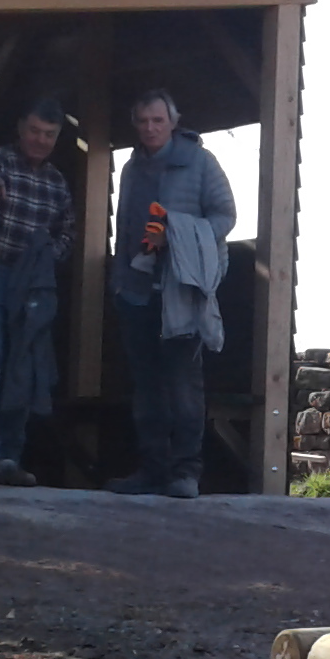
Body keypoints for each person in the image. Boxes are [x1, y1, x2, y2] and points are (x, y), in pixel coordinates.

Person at [108, 88, 234, 498]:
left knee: (183, 387)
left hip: (182, 291)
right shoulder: (131, 168)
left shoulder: (201, 161)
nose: (150, 128)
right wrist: (119, 284)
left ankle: (185, 473)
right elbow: (124, 231)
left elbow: (225, 216)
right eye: (143, 121)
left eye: (158, 121)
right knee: (146, 388)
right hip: (137, 293)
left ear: (173, 122)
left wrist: (177, 235)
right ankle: (152, 471)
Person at [0, 100, 74, 487]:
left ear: (57, 138)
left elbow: (68, 233)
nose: (40, 140)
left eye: (49, 135)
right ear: (21, 128)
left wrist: (48, 256)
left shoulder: (58, 183)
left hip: (30, 283)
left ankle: (10, 457)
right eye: (35, 131)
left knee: (22, 365)